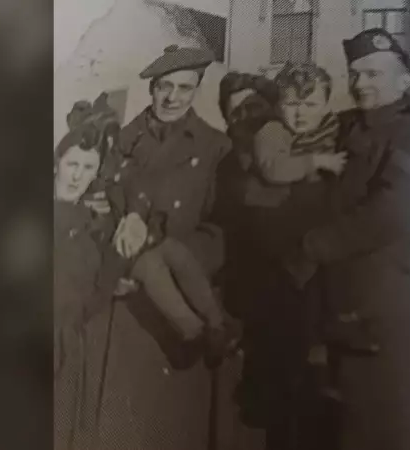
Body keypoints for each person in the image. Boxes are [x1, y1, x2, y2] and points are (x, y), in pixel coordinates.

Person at [283, 28, 410, 450]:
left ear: (404, 80)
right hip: (338, 308)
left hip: (382, 311)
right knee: (346, 426)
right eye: (355, 74)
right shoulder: (346, 126)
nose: (361, 84)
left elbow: (392, 213)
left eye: (373, 74)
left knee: (385, 429)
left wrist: (312, 245)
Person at [88, 45, 235, 450]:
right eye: (164, 87)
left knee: (171, 427)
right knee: (124, 425)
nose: (173, 98)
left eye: (184, 88)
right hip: (124, 299)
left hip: (179, 298)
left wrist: (175, 260)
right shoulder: (119, 143)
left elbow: (222, 230)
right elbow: (93, 209)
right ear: (152, 89)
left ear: (197, 90)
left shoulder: (215, 147)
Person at [53, 99, 123, 450]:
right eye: (72, 164)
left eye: (88, 166)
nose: (78, 174)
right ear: (57, 164)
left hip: (71, 344)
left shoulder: (91, 223)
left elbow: (98, 287)